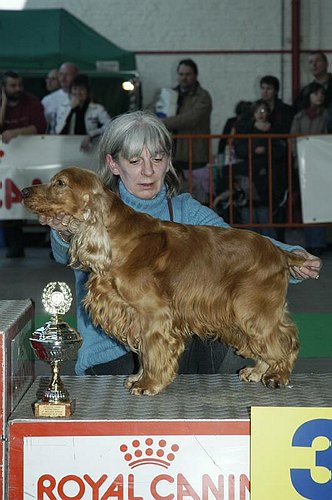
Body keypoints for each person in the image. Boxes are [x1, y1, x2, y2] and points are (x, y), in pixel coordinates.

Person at [39, 111, 321, 378]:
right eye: (135, 161)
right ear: (114, 164)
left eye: (157, 159)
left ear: (168, 161)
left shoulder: (185, 210)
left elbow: (234, 242)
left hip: (177, 345)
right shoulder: (92, 209)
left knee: (221, 326)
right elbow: (64, 253)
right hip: (111, 354)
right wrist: (65, 232)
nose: (148, 171)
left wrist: (289, 256)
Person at [0, 70, 47, 258]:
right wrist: (3, 105)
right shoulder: (2, 102)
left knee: (35, 197)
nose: (18, 89)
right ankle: (15, 244)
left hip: (31, 160)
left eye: (19, 84)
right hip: (6, 162)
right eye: (12, 86)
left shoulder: (32, 101)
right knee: (8, 202)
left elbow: (40, 126)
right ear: (3, 87)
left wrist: (16, 132)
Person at [158, 59, 212, 204]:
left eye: (188, 74)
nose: (184, 77)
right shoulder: (170, 94)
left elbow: (190, 119)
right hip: (173, 154)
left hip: (195, 155)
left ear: (195, 75)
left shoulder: (203, 96)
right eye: (181, 74)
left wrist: (162, 122)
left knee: (196, 201)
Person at [232, 100, 288, 237]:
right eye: (258, 111)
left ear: (268, 112)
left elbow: (282, 149)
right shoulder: (246, 128)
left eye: (264, 111)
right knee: (248, 205)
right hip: (249, 172)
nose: (261, 114)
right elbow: (239, 148)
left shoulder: (276, 128)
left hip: (270, 173)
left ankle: (270, 244)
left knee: (266, 207)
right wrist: (253, 150)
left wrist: (267, 150)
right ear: (253, 113)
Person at [290, 82, 328, 256]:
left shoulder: (327, 115)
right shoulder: (299, 117)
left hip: (322, 164)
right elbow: (292, 139)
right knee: (307, 204)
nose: (319, 96)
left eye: (321, 93)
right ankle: (310, 242)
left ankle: (319, 241)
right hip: (304, 166)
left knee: (319, 204)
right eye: (315, 93)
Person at [56, 74, 111, 151]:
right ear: (71, 91)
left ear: (87, 92)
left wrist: (91, 135)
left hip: (91, 148)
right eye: (75, 89)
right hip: (66, 147)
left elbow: (109, 126)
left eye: (81, 89)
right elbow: (58, 130)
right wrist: (70, 109)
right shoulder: (63, 107)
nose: (78, 92)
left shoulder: (97, 108)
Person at [41, 62, 79, 134]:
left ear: (76, 76)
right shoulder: (47, 100)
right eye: (61, 74)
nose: (63, 78)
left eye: (68, 75)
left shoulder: (83, 97)